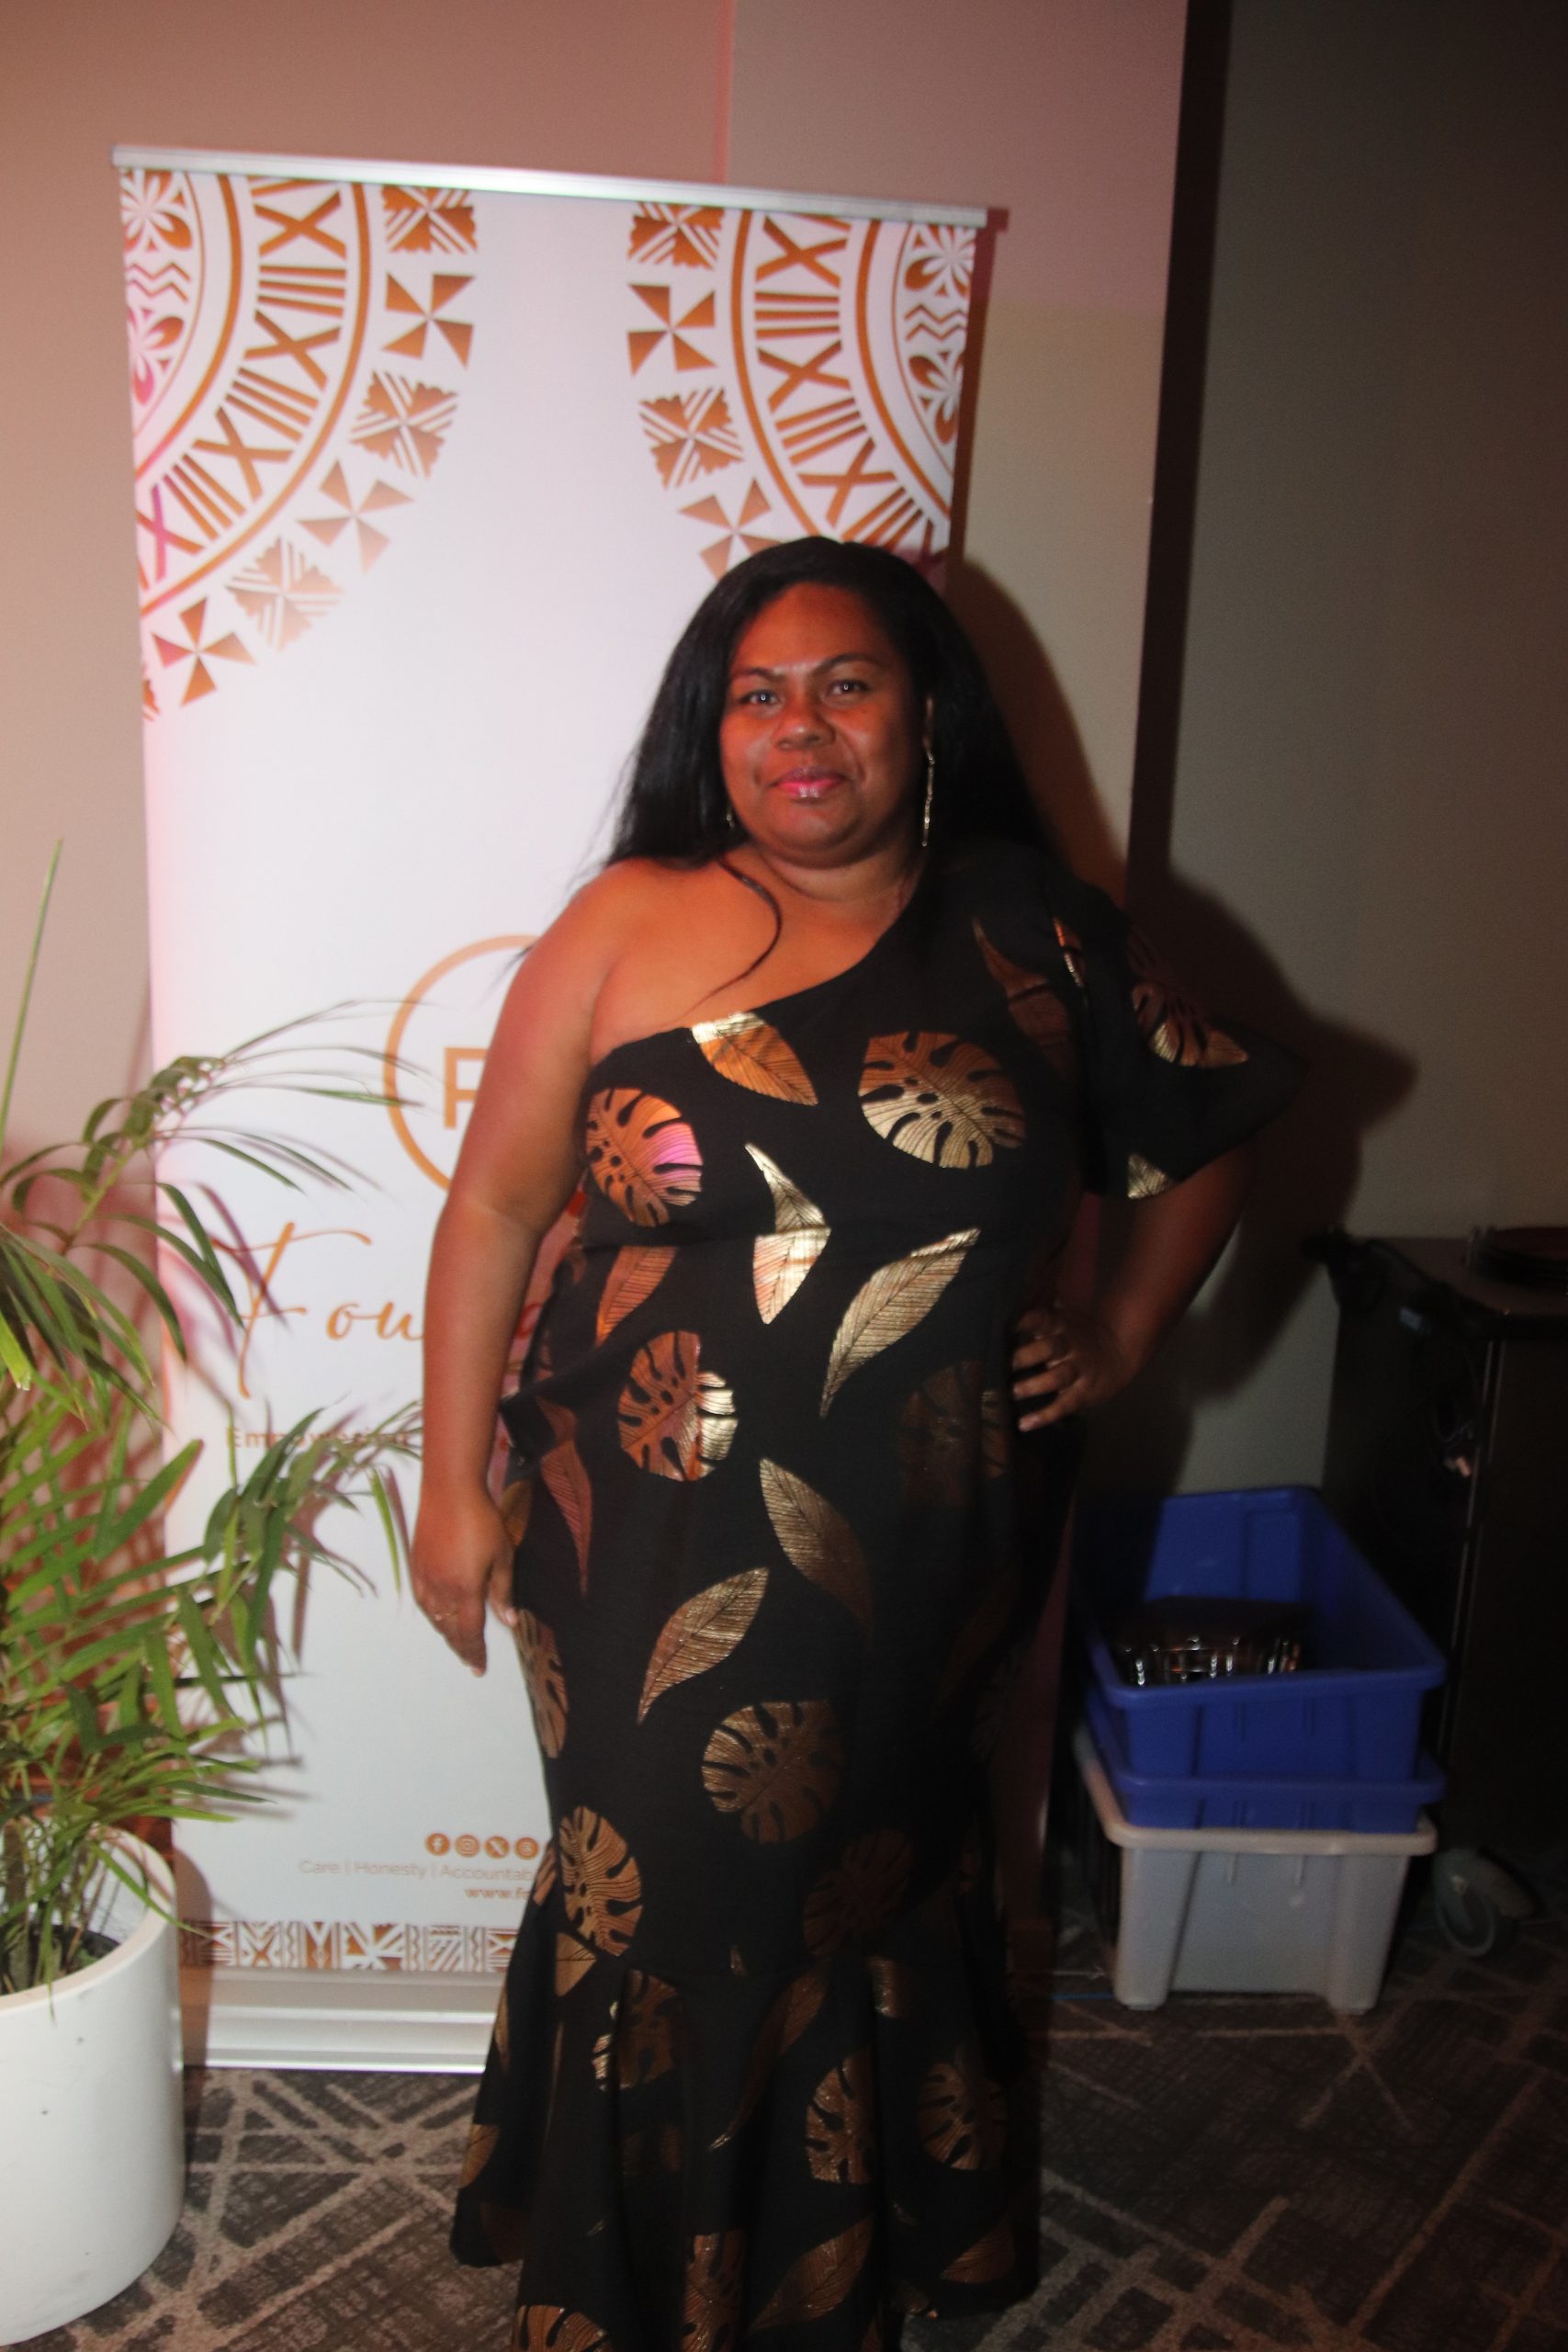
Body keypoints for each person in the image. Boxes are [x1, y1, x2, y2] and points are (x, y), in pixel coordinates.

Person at [413, 537, 1299, 2347]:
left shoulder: (1037, 930)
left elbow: (1210, 1126)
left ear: (924, 715)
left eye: (845, 684)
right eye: (756, 693)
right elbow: (493, 1208)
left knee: (877, 1864)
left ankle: (832, 2254)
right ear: (711, 728)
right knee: (672, 1872)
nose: (797, 727)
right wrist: (446, 1484)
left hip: (926, 1530)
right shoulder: (625, 920)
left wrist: (1122, 1330)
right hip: (632, 1526)